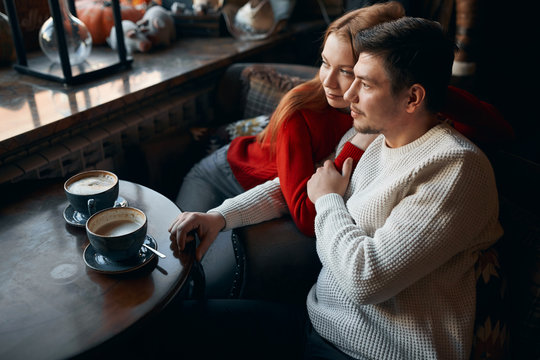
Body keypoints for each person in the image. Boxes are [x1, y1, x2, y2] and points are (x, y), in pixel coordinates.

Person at [167, 16, 503, 359]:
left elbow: (366, 278)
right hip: (316, 325)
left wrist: (328, 201)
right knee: (170, 324)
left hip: (373, 352)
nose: (349, 93)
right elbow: (304, 186)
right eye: (352, 77)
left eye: (366, 84)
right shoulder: (372, 139)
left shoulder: (455, 168)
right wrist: (219, 217)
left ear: (413, 98)